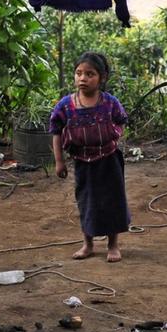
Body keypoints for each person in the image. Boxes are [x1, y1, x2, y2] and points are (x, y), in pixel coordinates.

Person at [50, 52, 131, 262]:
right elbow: (56, 132)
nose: (83, 78)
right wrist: (59, 161)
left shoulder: (110, 102)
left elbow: (121, 121)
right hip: (82, 163)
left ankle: (113, 245)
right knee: (86, 201)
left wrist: (112, 135)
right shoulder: (66, 105)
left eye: (90, 74)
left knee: (112, 201)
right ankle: (88, 244)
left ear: (102, 77)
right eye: (79, 73)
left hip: (109, 159)